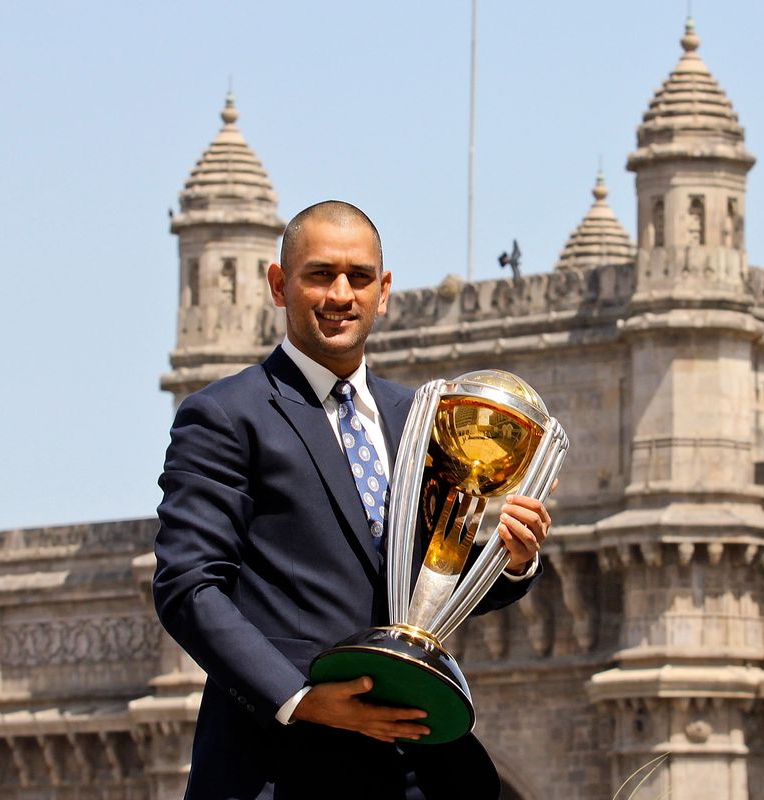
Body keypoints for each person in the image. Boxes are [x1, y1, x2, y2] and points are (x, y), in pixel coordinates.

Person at [153, 200, 552, 799]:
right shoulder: (226, 416)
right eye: (320, 274)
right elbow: (188, 587)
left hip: (414, 768)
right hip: (278, 768)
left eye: (359, 278)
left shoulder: (421, 418)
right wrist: (302, 700)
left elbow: (429, 583)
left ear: (384, 291)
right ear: (279, 284)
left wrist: (512, 560)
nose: (341, 294)